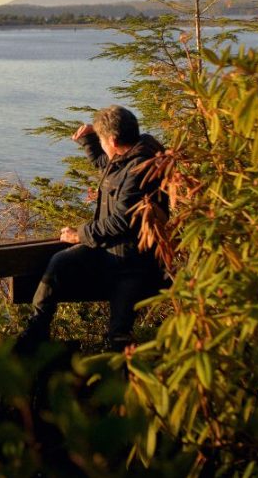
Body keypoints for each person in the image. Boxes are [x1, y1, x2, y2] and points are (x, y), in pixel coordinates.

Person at [16, 105, 167, 353]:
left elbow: (121, 221)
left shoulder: (140, 168)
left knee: (119, 335)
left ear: (113, 140)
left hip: (132, 264)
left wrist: (79, 234)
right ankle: (36, 332)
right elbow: (107, 167)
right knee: (59, 263)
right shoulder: (128, 155)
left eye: (101, 139)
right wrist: (89, 141)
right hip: (112, 252)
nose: (102, 145)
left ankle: (125, 383)